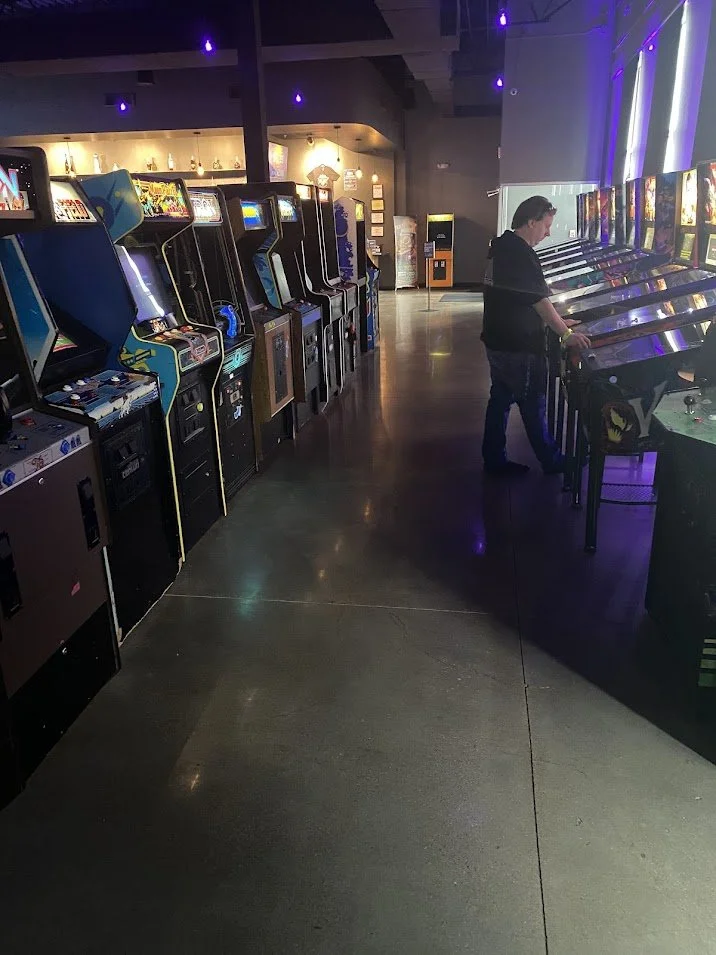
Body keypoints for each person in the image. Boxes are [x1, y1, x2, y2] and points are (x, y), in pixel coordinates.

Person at [481, 196, 590, 476]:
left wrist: (556, 322)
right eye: (546, 225)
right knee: (533, 402)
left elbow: (519, 297)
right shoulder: (519, 253)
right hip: (518, 344)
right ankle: (552, 461)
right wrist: (565, 334)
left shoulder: (502, 245)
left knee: (501, 398)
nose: (548, 233)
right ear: (531, 221)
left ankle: (493, 459)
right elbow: (538, 301)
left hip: (498, 339)